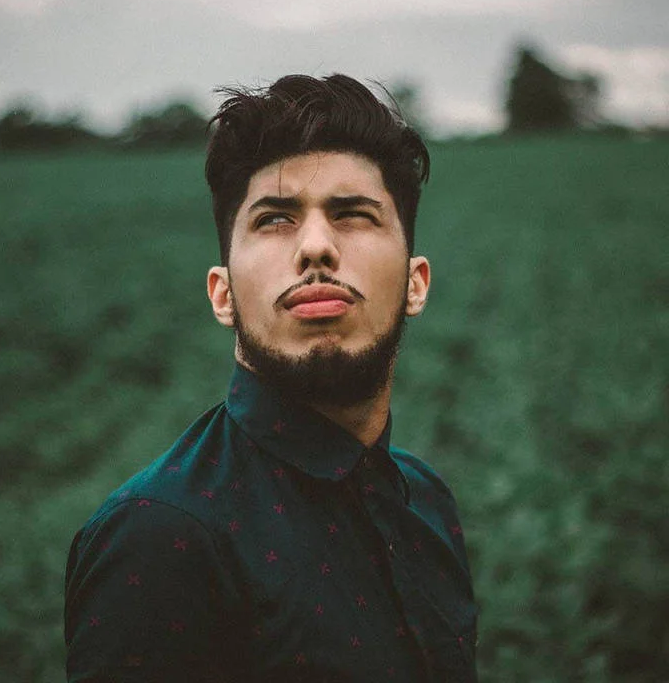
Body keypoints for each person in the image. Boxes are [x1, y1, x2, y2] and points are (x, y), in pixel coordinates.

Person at [64, 73, 478, 682]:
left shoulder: (426, 501)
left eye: (353, 215)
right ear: (223, 294)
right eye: (276, 219)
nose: (316, 247)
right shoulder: (159, 536)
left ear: (415, 284)